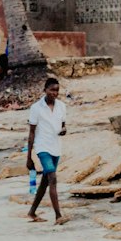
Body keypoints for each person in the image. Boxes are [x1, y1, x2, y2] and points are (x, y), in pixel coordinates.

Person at [27, 76, 68, 225]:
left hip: (56, 147)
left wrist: (64, 130)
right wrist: (29, 157)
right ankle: (58, 216)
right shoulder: (36, 108)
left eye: (57, 90)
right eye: (51, 90)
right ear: (45, 90)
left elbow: (63, 125)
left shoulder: (62, 106)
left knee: (45, 183)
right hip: (42, 147)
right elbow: (31, 133)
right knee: (52, 177)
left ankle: (32, 212)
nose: (54, 93)